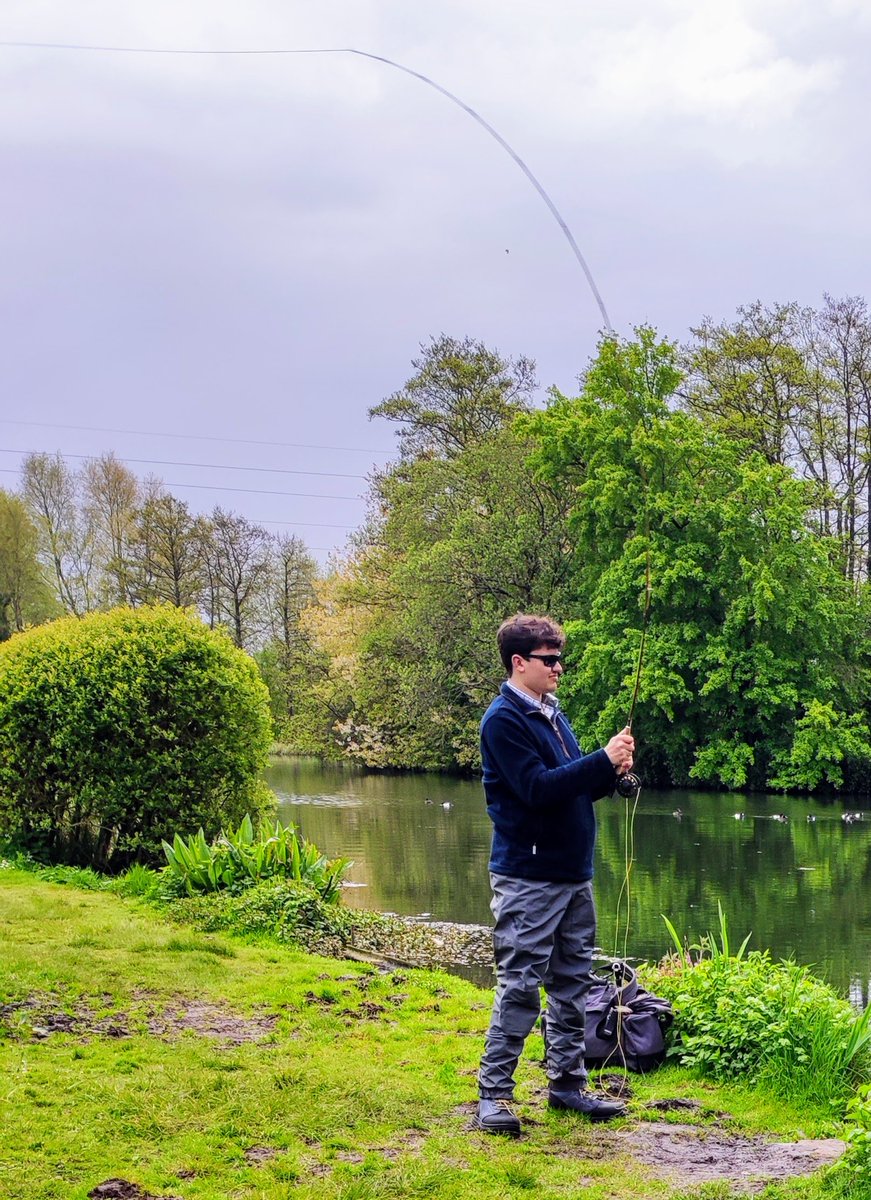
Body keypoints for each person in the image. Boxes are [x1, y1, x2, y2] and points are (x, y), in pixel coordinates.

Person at [475, 613, 635, 1136]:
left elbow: (574, 787)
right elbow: (537, 789)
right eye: (549, 660)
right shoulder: (503, 720)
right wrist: (598, 760)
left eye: (559, 658)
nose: (558, 667)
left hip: (573, 876)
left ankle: (568, 1085)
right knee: (520, 984)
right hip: (529, 878)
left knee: (571, 985)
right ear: (519, 663)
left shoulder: (552, 714)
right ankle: (494, 1093)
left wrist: (611, 774)